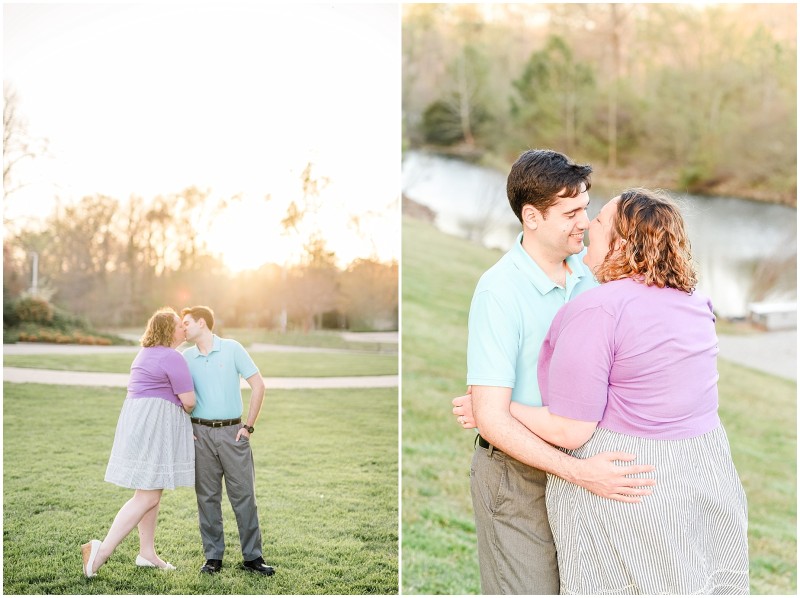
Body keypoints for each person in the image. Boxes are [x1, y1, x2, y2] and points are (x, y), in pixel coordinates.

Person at [459, 189, 749, 594]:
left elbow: (571, 430)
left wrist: (498, 406)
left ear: (621, 242)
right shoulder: (695, 302)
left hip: (626, 480)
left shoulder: (599, 308)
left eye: (596, 221)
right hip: (700, 473)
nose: (586, 227)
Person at [451, 149, 656, 595]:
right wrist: (581, 473)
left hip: (583, 463)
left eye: (586, 207)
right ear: (532, 217)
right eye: (572, 212)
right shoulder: (498, 291)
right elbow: (492, 416)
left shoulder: (593, 272)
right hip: (516, 476)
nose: (585, 221)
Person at [82, 307, 196, 578]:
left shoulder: (145, 353)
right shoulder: (172, 356)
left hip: (139, 425)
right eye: (180, 325)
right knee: (148, 495)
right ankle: (100, 553)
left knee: (149, 492)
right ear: (169, 330)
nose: (184, 329)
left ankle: (147, 553)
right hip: (154, 427)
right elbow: (189, 402)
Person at [180, 305, 275, 576]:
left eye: (187, 323)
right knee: (207, 498)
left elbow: (259, 385)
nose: (183, 328)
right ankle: (213, 558)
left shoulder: (232, 348)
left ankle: (253, 558)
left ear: (202, 322)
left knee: (244, 496)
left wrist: (249, 427)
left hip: (234, 434)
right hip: (200, 434)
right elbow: (176, 395)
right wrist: (186, 427)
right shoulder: (185, 357)